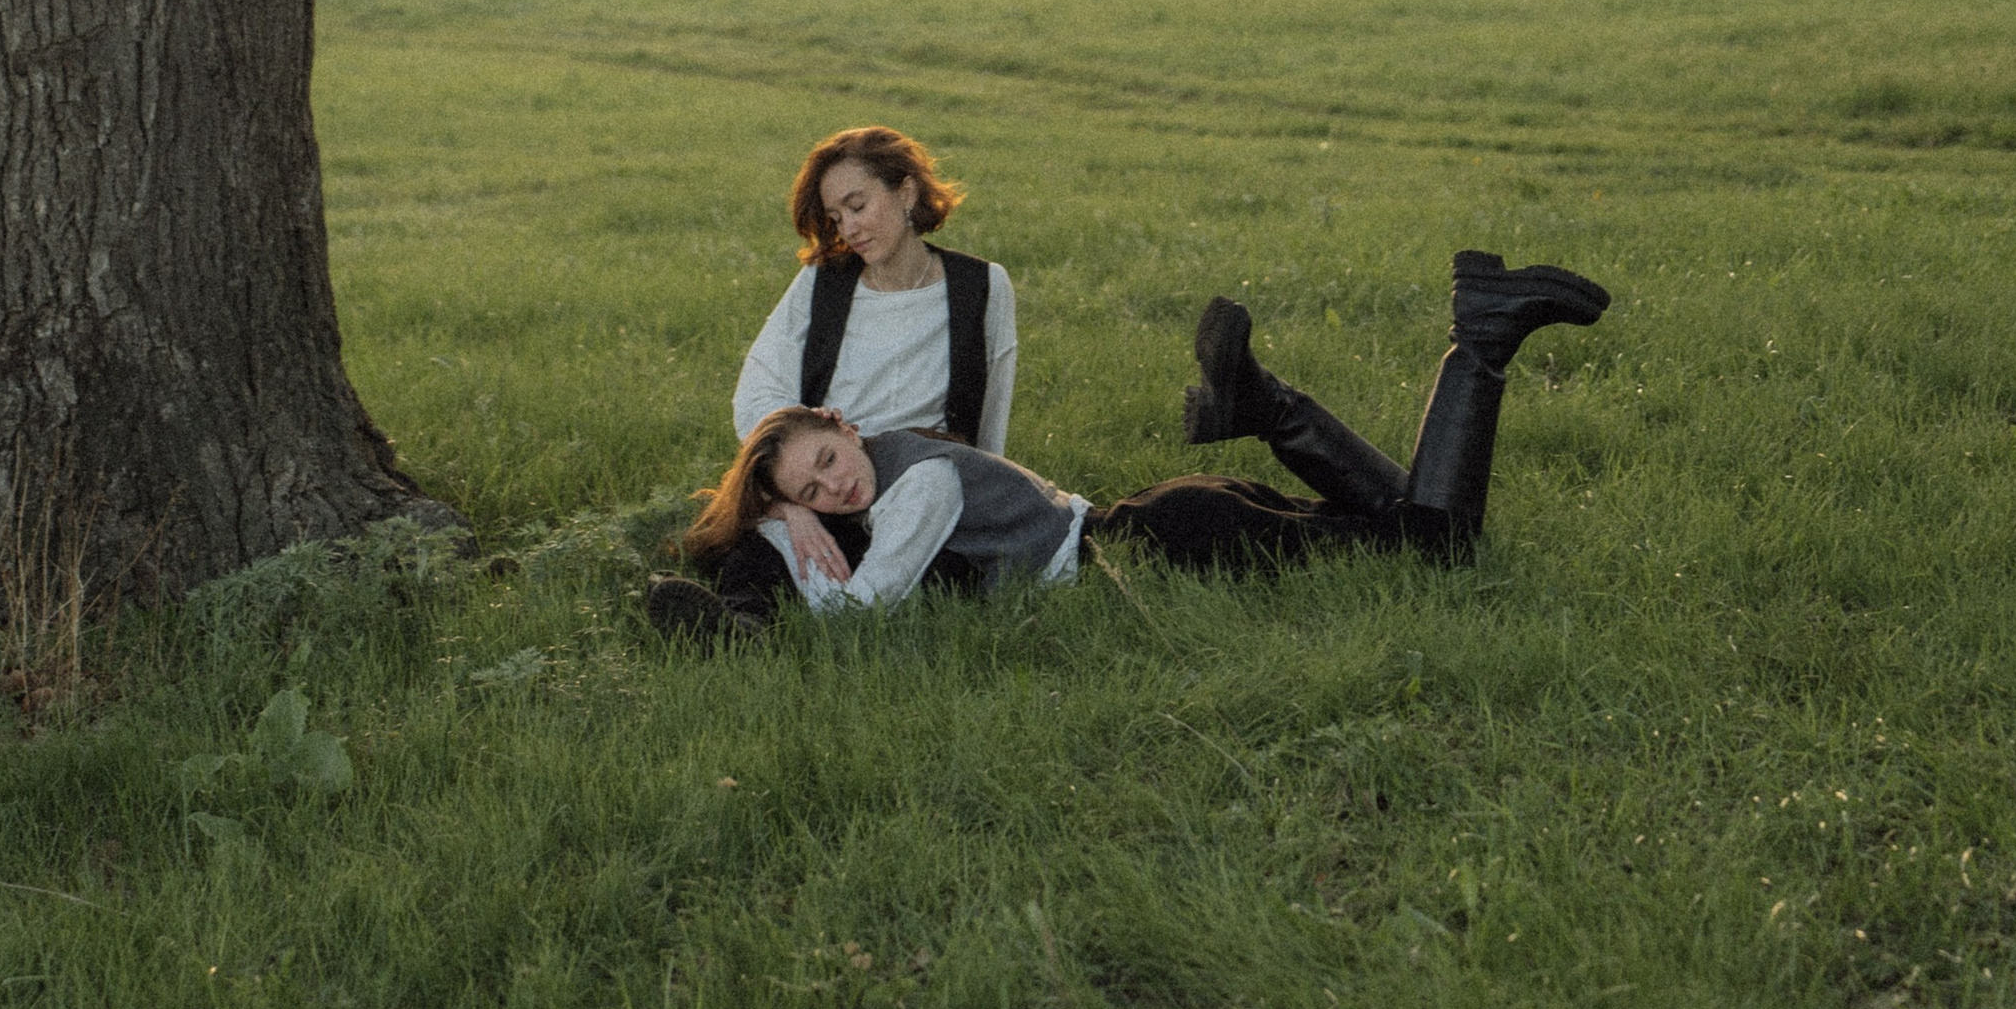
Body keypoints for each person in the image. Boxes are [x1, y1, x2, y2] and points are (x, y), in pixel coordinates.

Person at [645, 250, 1609, 641]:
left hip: (1165, 542)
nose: (836, 486)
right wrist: (778, 519)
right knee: (1404, 528)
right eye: (815, 489)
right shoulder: (881, 465)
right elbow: (814, 531)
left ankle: (1478, 341)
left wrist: (789, 570)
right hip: (1165, 516)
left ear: (846, 425)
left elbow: (868, 610)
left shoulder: (922, 480)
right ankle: (1270, 406)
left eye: (826, 460)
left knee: (1435, 548)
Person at [680, 123, 1019, 636]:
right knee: (747, 545)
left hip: (921, 489)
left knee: (945, 573)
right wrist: (793, 503)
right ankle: (740, 630)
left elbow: (991, 417)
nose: (849, 229)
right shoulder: (823, 283)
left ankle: (839, 606)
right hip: (826, 481)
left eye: (858, 206)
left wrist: (986, 499)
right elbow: (758, 394)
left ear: (905, 191)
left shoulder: (983, 286)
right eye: (836, 218)